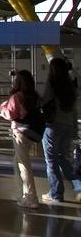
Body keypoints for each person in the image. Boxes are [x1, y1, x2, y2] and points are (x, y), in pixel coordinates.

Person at [40, 58, 81, 204]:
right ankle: (79, 185)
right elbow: (75, 109)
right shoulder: (71, 86)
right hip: (68, 126)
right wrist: (75, 129)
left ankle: (56, 193)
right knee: (63, 157)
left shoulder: (52, 84)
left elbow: (44, 100)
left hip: (53, 126)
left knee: (51, 160)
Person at [0, 69, 41, 209]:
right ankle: (23, 194)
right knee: (18, 162)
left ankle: (31, 197)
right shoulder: (34, 96)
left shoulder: (17, 97)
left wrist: (2, 107)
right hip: (30, 132)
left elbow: (10, 114)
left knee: (23, 165)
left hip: (20, 133)